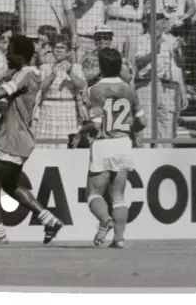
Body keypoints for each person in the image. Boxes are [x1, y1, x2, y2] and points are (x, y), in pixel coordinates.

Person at [0, 34, 64, 245]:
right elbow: (19, 103)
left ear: (19, 56)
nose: (7, 55)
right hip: (23, 138)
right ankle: (49, 220)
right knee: (10, 186)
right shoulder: (34, 75)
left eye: (9, 52)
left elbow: (0, 92)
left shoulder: (23, 74)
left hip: (12, 139)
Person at [77, 47, 146, 248]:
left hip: (103, 143)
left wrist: (83, 130)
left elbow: (97, 123)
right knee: (119, 195)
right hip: (124, 143)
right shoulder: (129, 89)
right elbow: (143, 122)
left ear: (101, 66)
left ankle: (105, 220)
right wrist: (130, 130)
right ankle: (119, 238)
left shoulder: (95, 90)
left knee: (93, 193)